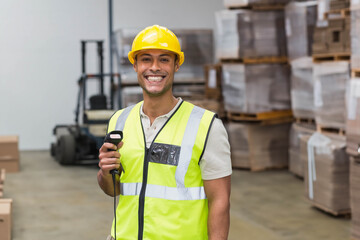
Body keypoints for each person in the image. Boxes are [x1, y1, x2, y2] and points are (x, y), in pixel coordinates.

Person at [97, 25, 232, 240]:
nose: (155, 67)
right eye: (146, 59)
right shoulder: (119, 120)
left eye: (164, 59)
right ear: (135, 65)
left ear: (177, 64)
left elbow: (220, 201)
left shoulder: (206, 126)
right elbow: (113, 190)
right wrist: (105, 172)